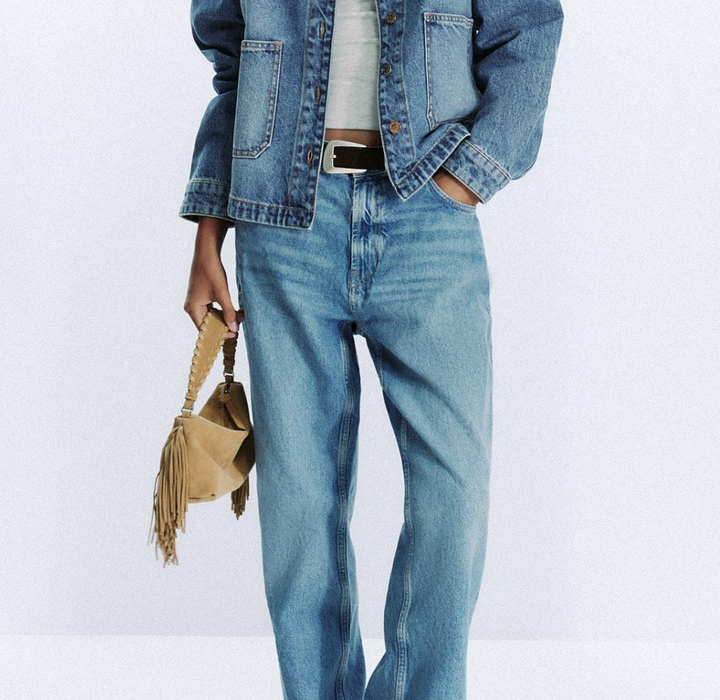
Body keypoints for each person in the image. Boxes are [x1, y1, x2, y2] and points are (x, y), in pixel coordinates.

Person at [180, 0, 563, 698]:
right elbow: (233, 62)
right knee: (299, 508)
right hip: (284, 221)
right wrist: (210, 228)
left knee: (455, 492)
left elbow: (528, 28)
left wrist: (467, 178)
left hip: (427, 215)